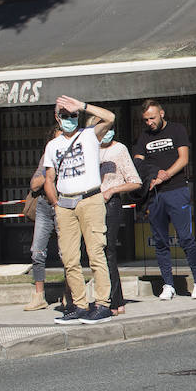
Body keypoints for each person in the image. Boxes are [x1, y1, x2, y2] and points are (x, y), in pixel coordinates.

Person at [43, 96, 116, 325]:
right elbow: (49, 177)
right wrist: (56, 204)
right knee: (69, 258)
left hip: (90, 199)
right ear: (57, 117)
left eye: (73, 115)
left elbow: (111, 118)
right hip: (65, 203)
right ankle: (80, 304)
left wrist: (83, 106)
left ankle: (103, 303)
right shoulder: (53, 145)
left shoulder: (89, 135)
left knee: (96, 253)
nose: (70, 119)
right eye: (65, 115)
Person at [132, 100, 196, 300]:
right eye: (146, 119)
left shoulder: (177, 130)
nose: (149, 122)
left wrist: (166, 175)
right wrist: (150, 175)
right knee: (160, 241)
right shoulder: (144, 137)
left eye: (152, 118)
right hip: (155, 194)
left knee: (185, 238)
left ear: (162, 113)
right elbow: (137, 161)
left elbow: (183, 159)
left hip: (176, 189)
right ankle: (168, 284)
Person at [98, 124, 141, 315]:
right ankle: (103, 298)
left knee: (108, 250)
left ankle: (116, 300)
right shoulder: (89, 149)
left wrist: (113, 190)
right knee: (93, 252)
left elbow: (135, 181)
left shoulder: (119, 149)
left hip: (110, 203)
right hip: (89, 204)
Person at [24, 127, 59, 311]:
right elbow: (34, 183)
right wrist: (49, 173)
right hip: (44, 206)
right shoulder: (47, 156)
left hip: (63, 205)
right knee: (37, 251)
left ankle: (70, 294)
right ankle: (39, 296)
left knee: (67, 253)